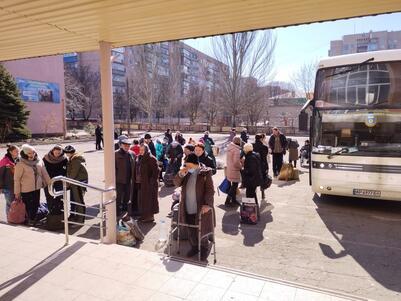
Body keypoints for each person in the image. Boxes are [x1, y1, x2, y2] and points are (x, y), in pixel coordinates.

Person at [174, 153, 215, 260]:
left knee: (202, 228)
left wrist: (207, 204)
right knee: (190, 227)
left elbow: (210, 190)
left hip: (200, 206)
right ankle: (194, 246)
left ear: (194, 164)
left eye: (188, 165)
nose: (187, 167)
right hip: (187, 205)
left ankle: (204, 248)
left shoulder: (205, 173)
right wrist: (180, 174)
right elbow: (176, 183)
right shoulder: (186, 172)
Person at [14, 144, 50, 225]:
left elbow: (45, 173)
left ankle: (33, 220)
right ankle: (29, 221)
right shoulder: (20, 163)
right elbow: (17, 179)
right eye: (29, 153)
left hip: (37, 188)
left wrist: (50, 183)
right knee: (28, 206)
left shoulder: (39, 160)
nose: (32, 154)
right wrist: (17, 193)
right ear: (24, 153)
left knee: (36, 205)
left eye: (33, 152)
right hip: (26, 189)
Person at [132, 144, 159, 222]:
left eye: (143, 150)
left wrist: (151, 182)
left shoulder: (151, 158)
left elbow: (156, 172)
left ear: (147, 150)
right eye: (140, 150)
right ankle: (143, 216)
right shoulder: (139, 158)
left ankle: (149, 217)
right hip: (140, 183)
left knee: (149, 201)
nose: (141, 151)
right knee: (141, 200)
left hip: (148, 184)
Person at [64, 145, 88, 224]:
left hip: (78, 182)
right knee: (77, 201)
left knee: (79, 201)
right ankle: (78, 218)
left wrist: (67, 182)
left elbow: (73, 173)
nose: (66, 154)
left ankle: (80, 220)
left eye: (67, 153)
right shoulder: (75, 158)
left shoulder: (75, 160)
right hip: (78, 182)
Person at [43, 145, 68, 215]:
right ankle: (50, 211)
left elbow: (67, 169)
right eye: (56, 153)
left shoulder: (64, 158)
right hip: (48, 180)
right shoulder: (46, 158)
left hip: (59, 180)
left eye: (59, 153)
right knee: (49, 196)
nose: (57, 154)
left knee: (61, 196)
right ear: (52, 151)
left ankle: (61, 211)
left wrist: (63, 175)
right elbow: (42, 169)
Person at [115, 136, 135, 217]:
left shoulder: (132, 154)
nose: (127, 147)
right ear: (121, 145)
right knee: (118, 197)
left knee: (127, 197)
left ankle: (124, 210)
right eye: (125, 145)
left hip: (129, 180)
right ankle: (117, 212)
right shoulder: (115, 154)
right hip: (119, 180)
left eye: (128, 145)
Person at [242, 143, 263, 211]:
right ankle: (255, 210)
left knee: (250, 194)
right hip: (255, 179)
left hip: (251, 180)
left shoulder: (250, 157)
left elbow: (251, 170)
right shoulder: (255, 155)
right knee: (253, 194)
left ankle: (250, 211)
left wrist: (243, 171)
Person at [0, 144, 19, 216]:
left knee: (15, 204)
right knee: (10, 204)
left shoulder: (17, 160)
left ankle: (15, 218)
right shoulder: (4, 161)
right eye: (16, 151)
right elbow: (0, 175)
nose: (18, 152)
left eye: (18, 151)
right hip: (8, 188)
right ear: (11, 152)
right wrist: (0, 187)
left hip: (16, 187)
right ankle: (9, 219)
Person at [225, 137, 242, 207]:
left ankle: (234, 200)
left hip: (229, 168)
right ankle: (227, 200)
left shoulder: (230, 147)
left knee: (233, 185)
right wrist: (241, 167)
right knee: (234, 185)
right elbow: (236, 162)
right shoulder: (236, 150)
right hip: (234, 169)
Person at [253, 134, 269, 200]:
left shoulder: (252, 146)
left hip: (253, 165)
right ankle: (262, 193)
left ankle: (254, 193)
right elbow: (265, 157)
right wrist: (267, 167)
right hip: (262, 165)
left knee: (253, 179)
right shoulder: (265, 147)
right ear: (261, 139)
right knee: (262, 179)